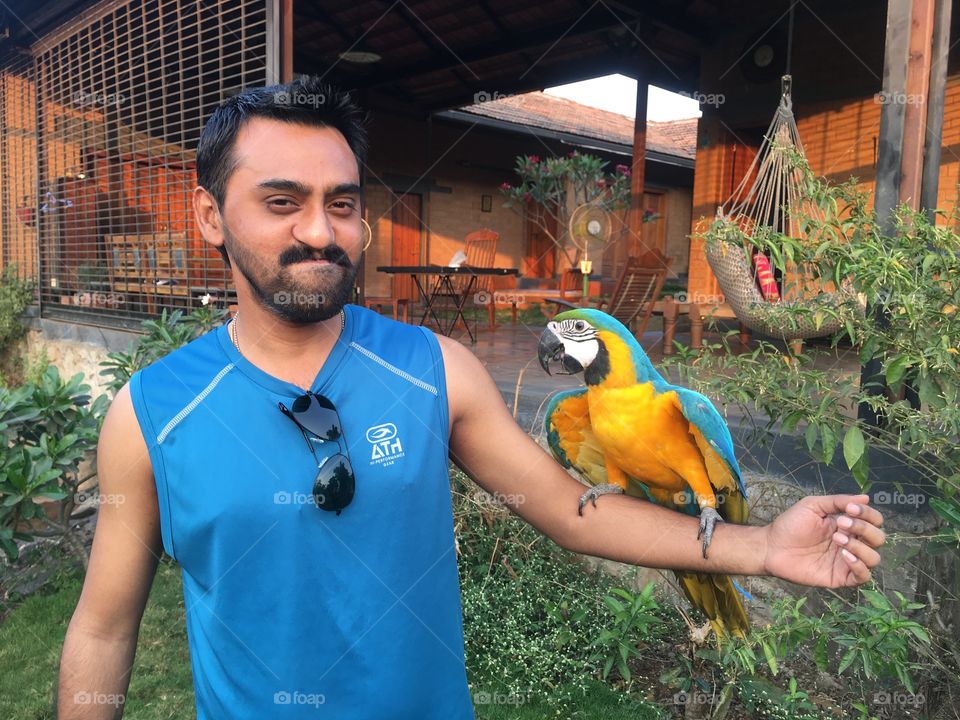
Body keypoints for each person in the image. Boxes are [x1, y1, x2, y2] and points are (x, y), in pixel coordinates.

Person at [57, 77, 885, 719]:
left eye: (341, 204)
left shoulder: (436, 369)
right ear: (210, 215)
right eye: (282, 202)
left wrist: (761, 545)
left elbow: (571, 509)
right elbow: (101, 630)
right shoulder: (152, 413)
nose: (320, 231)